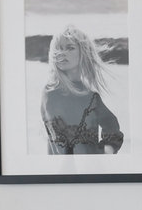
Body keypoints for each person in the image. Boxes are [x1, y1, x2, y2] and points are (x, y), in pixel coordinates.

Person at [42, 25, 124, 154]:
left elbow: (112, 127)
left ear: (84, 54)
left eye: (70, 48)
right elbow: (62, 143)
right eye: (58, 48)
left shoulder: (91, 96)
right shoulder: (51, 92)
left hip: (92, 170)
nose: (62, 53)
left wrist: (105, 152)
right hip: (63, 171)